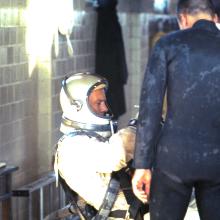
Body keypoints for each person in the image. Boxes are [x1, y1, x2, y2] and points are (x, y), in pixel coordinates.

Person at [132, 0, 220, 220]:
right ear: (215, 18)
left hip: (174, 160)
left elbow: (149, 109)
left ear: (182, 18)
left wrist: (142, 165)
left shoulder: (167, 45)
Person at [54, 72, 144, 219]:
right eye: (98, 103)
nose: (105, 109)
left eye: (104, 102)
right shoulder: (72, 147)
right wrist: (140, 126)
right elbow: (115, 154)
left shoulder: (92, 139)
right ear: (77, 106)